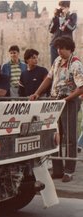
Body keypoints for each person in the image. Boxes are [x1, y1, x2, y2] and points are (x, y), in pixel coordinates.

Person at [29, 36, 83, 182]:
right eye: (57, 48)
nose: (59, 51)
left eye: (62, 48)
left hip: (68, 102)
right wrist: (37, 93)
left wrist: (66, 99)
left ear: (70, 49)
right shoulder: (57, 61)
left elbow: (81, 88)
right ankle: (58, 169)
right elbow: (48, 78)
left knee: (70, 138)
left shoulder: (76, 64)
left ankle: (69, 170)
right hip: (55, 101)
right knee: (55, 135)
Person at [49, 1, 77, 65]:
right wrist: (55, 17)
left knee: (66, 65)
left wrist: (66, 17)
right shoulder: (56, 17)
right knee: (54, 65)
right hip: (55, 44)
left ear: (68, 7)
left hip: (66, 45)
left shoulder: (72, 16)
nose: (61, 9)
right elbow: (51, 30)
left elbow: (71, 28)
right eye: (60, 7)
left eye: (63, 7)